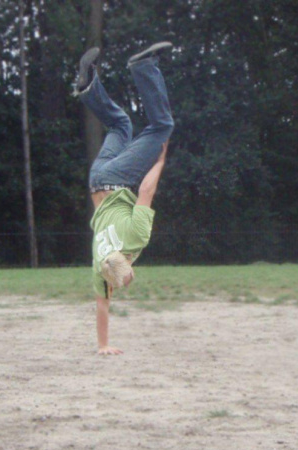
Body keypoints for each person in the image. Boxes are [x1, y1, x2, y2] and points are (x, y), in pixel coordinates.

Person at [75, 42, 175, 355]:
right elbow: (102, 307)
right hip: (96, 179)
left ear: (129, 264)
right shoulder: (98, 265)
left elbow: (146, 191)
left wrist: (159, 161)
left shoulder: (135, 239)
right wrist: (103, 345)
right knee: (121, 124)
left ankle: (142, 66)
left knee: (163, 127)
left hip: (114, 179)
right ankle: (89, 86)